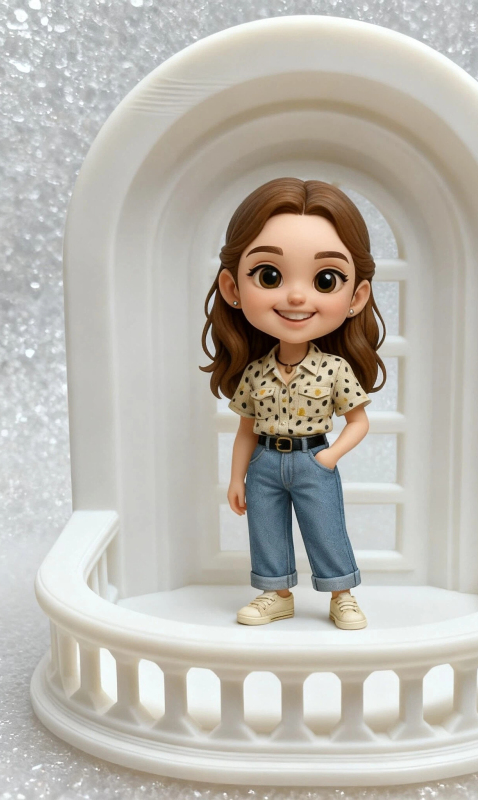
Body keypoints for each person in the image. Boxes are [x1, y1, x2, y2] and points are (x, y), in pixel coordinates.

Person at [201, 177, 386, 629]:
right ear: (232, 288)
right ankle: (275, 592)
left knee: (326, 527)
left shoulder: (334, 369)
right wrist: (236, 477)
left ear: (356, 296)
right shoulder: (256, 372)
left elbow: (359, 422)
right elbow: (246, 428)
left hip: (312, 458)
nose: (298, 296)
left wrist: (329, 457)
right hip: (265, 461)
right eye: (270, 276)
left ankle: (341, 594)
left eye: (326, 280)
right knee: (265, 528)